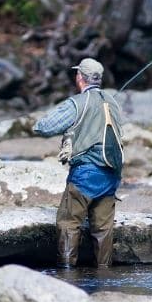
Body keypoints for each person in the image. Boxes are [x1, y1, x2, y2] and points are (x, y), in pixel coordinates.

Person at [34, 58, 124, 268]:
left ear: (80, 77)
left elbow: (43, 127)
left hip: (85, 174)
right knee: (103, 230)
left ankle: (67, 274)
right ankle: (104, 276)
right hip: (111, 174)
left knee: (68, 223)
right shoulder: (113, 102)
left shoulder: (77, 103)